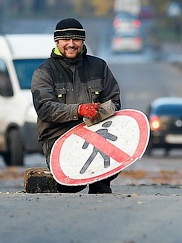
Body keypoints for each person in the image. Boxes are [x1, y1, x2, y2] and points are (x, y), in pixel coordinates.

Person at [31, 18, 121, 194]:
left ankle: (101, 186)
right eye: (66, 39)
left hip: (95, 134)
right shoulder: (44, 72)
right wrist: (78, 110)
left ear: (83, 41)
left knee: (103, 179)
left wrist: (99, 112)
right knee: (71, 185)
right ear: (57, 41)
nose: (71, 44)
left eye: (76, 39)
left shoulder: (99, 66)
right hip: (58, 138)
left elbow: (114, 102)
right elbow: (44, 108)